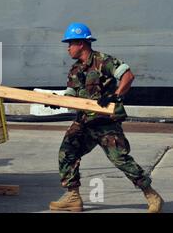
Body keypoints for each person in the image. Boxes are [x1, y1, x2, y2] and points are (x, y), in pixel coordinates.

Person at [49, 22, 164, 213]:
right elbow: (70, 96)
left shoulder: (103, 60)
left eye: (70, 43)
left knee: (120, 159)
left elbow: (128, 76)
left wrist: (116, 95)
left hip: (105, 123)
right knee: (66, 152)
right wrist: (54, 101)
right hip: (84, 122)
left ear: (82, 44)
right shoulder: (75, 70)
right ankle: (73, 197)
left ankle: (152, 195)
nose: (68, 48)